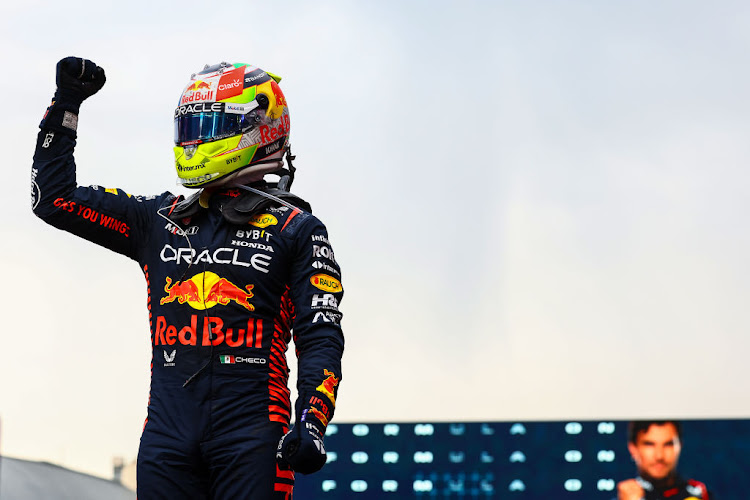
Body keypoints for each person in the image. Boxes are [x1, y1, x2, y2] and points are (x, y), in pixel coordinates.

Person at [32, 57, 345, 499]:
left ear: (259, 128)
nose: (196, 139)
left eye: (209, 125)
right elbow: (53, 200)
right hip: (167, 438)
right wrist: (66, 104)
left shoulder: (296, 229)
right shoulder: (158, 218)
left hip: (252, 437)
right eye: (190, 126)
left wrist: (311, 421)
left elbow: (320, 335)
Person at [617, 420, 712, 500]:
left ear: (680, 447)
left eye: (668, 444)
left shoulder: (699, 493)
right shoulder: (625, 496)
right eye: (649, 444)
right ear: (633, 448)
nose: (659, 456)